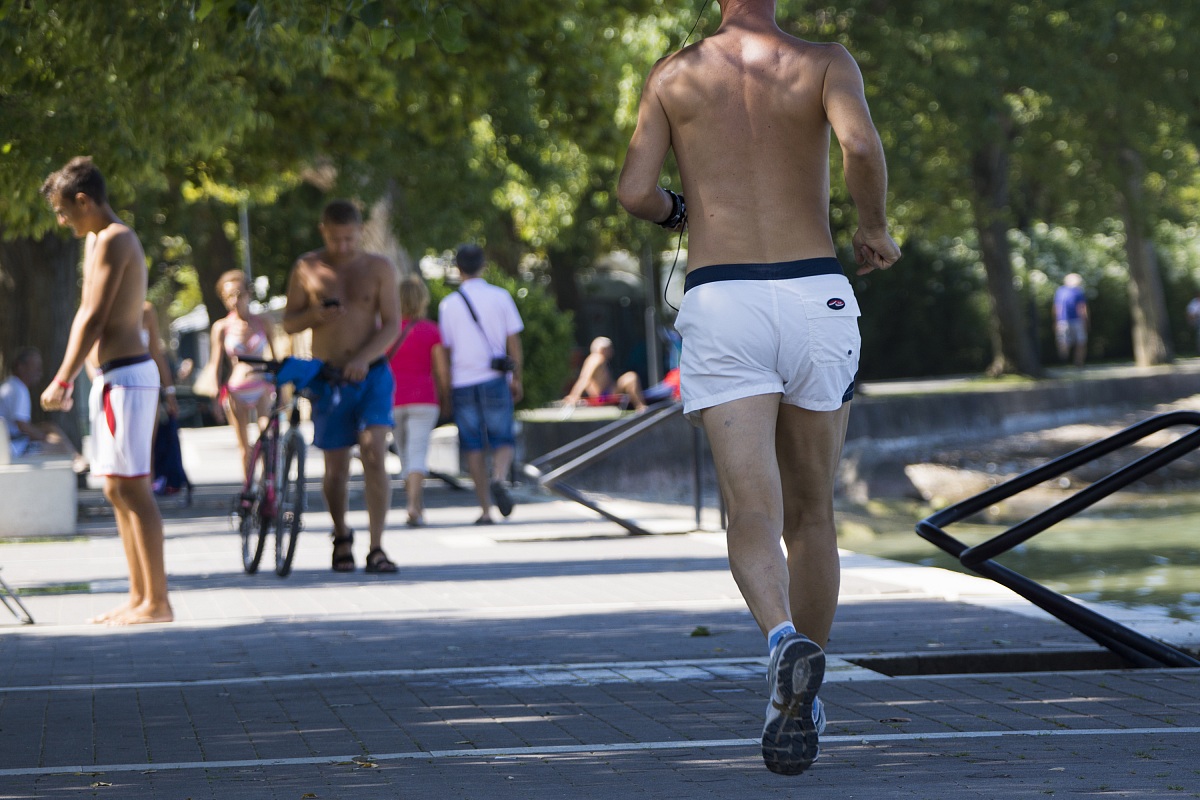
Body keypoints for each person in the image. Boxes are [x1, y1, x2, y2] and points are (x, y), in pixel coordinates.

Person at [617, 0, 899, 775]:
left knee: (751, 509)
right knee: (813, 515)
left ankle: (781, 641)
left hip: (724, 296)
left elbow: (635, 192)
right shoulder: (825, 62)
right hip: (816, 294)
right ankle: (803, 701)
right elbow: (861, 148)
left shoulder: (675, 73)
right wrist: (871, 227)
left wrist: (682, 211)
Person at [39, 156, 173, 625]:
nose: (61, 220)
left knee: (134, 489)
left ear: (84, 201)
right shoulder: (96, 239)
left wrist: (62, 376)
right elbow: (86, 314)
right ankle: (139, 596)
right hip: (112, 380)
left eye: (63, 210)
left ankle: (158, 601)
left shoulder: (116, 239)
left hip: (129, 378)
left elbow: (93, 318)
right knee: (116, 490)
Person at [283, 199, 400, 573]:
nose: (343, 246)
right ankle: (341, 535)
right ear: (323, 232)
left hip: (373, 374)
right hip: (329, 378)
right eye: (336, 239)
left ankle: (377, 545)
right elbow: (289, 322)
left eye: (350, 239)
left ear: (360, 232)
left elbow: (393, 325)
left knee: (374, 452)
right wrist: (315, 314)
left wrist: (364, 358)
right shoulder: (307, 267)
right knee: (335, 469)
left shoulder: (379, 268)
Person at [437, 244, 524, 525]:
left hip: (463, 381)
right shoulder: (500, 297)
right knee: (504, 438)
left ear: (458, 268)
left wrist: (446, 386)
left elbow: (446, 349)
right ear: (483, 265)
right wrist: (517, 376)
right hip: (495, 378)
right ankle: (499, 477)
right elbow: (514, 342)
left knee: (472, 445)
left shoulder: (448, 304)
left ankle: (485, 509)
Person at [199, 270, 278, 481]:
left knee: (268, 439)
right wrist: (215, 396)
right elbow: (215, 364)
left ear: (248, 294)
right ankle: (249, 491)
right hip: (236, 390)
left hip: (261, 387)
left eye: (239, 294)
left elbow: (275, 358)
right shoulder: (222, 327)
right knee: (244, 447)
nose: (235, 300)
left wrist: (280, 387)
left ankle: (271, 488)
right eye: (229, 297)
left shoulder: (263, 322)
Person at [389, 274, 451, 527]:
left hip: (392, 400)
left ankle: (415, 503)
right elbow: (442, 370)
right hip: (424, 399)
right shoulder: (431, 330)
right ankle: (415, 505)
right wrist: (447, 396)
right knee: (417, 452)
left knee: (405, 453)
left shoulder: (387, 331)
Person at [0, 346, 88, 472]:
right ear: (21, 367)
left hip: (12, 441)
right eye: (35, 367)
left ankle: (77, 459)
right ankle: (77, 461)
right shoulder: (18, 389)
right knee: (59, 446)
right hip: (12, 447)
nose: (39, 371)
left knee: (49, 427)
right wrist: (47, 439)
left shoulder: (11, 385)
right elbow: (22, 426)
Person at [562, 336, 647, 411]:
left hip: (607, 392)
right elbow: (584, 379)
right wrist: (574, 396)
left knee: (629, 377)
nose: (612, 351)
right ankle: (641, 407)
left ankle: (640, 406)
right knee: (631, 377)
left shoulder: (599, 360)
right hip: (602, 396)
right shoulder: (596, 358)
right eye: (610, 348)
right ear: (602, 349)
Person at [1053, 273, 1089, 367]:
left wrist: (1056, 321)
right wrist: (1086, 321)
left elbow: (1057, 308)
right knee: (1081, 342)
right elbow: (1082, 308)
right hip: (1077, 320)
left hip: (1062, 321)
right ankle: (1078, 362)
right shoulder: (1078, 292)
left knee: (1063, 342)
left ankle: (1063, 361)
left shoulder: (1060, 291)